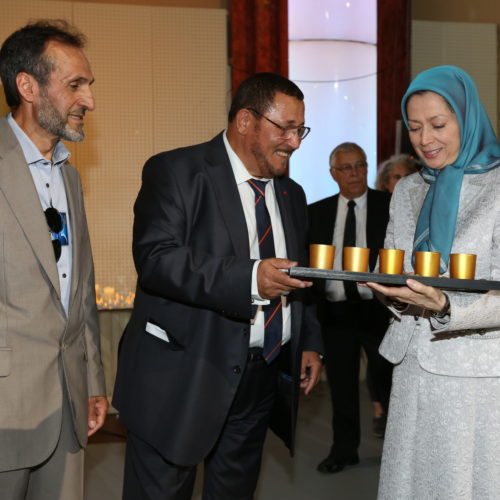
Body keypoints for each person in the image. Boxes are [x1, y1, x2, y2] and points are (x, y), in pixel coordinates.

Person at [112, 72, 323, 500]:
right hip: (182, 376)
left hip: (259, 378)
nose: (295, 142)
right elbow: (157, 259)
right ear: (245, 120)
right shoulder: (176, 171)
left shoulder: (293, 195)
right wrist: (249, 278)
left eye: (300, 130)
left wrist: (307, 341)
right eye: (285, 128)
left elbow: (300, 279)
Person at [365, 65, 500, 499]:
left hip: (476, 374)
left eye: (439, 125)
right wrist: (394, 296)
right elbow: (397, 269)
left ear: (468, 117)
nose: (425, 140)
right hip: (412, 366)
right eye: (416, 128)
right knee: (412, 483)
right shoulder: (407, 190)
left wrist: (445, 305)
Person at [0, 20, 108, 500]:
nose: (88, 100)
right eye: (74, 85)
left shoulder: (69, 177)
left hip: (68, 408)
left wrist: (93, 380)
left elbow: (80, 291)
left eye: (88, 86)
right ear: (27, 85)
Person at [308, 142, 392, 473]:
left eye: (360, 165)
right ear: (333, 174)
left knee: (387, 381)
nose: (355, 173)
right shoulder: (316, 212)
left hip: (379, 311)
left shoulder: (389, 206)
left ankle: (400, 453)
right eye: (346, 168)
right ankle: (344, 450)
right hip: (335, 313)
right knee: (341, 386)